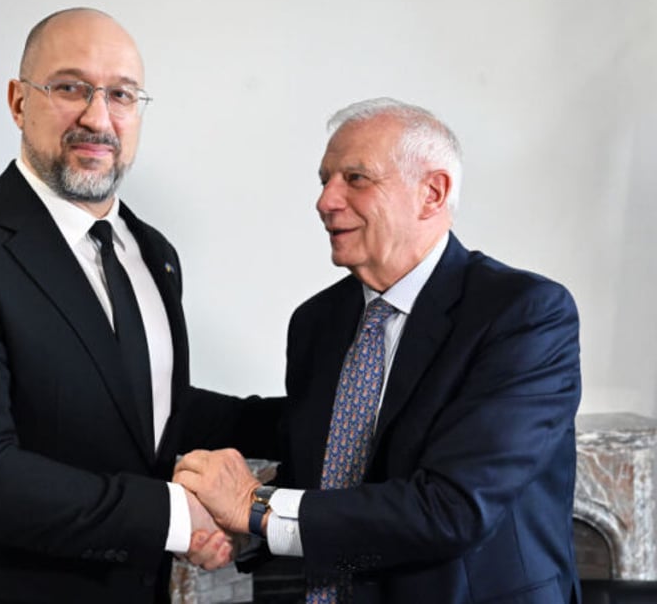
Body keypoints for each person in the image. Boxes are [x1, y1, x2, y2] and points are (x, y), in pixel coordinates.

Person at [0, 7, 279, 604]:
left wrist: (320, 419)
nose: (98, 117)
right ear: (19, 102)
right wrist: (175, 514)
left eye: (121, 94)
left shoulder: (154, 253)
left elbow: (146, 410)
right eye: (70, 88)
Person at [175, 98, 582, 603]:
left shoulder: (524, 314)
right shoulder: (316, 322)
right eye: (324, 179)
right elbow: (324, 476)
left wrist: (253, 506)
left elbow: (451, 510)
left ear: (431, 193)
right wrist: (240, 528)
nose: (325, 200)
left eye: (356, 179)